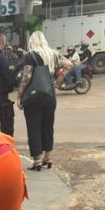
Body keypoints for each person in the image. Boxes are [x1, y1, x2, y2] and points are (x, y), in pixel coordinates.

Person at [17, 31, 66, 170]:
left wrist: (20, 95)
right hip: (50, 95)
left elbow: (26, 76)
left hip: (34, 96)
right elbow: (69, 64)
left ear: (32, 42)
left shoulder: (30, 56)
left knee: (34, 126)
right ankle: (48, 157)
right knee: (48, 126)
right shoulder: (53, 54)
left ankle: (37, 159)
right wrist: (59, 79)